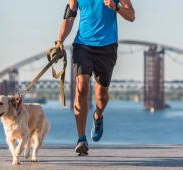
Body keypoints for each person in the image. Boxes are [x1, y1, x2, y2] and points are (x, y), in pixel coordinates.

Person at [56, 0, 135, 156]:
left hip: (107, 47)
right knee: (81, 86)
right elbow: (69, 17)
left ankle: (98, 115)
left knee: (101, 95)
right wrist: (60, 40)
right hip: (82, 46)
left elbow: (131, 15)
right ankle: (81, 139)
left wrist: (116, 7)